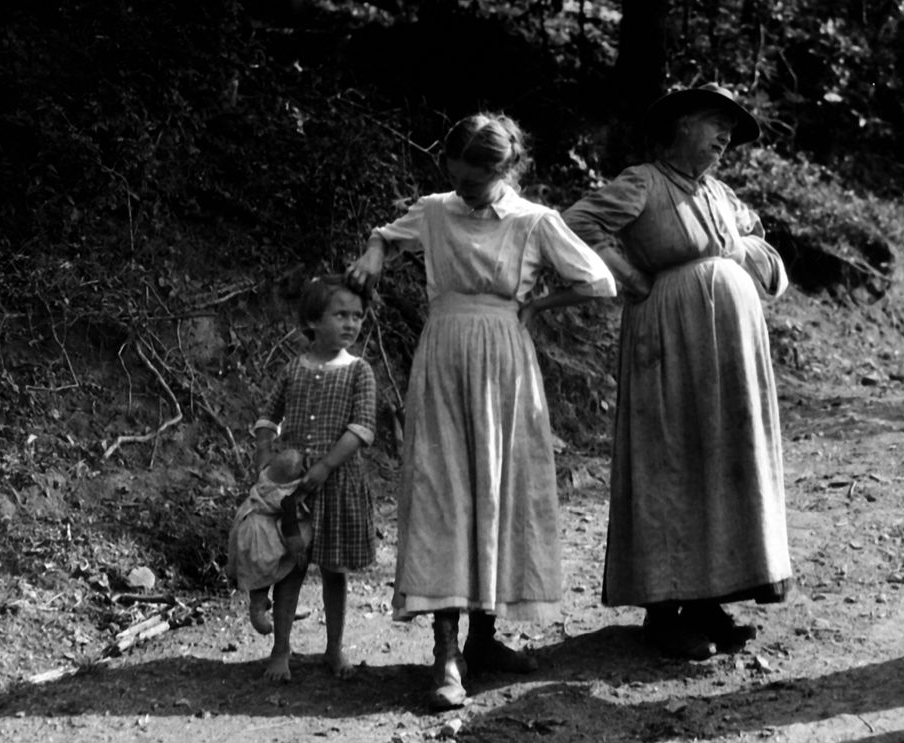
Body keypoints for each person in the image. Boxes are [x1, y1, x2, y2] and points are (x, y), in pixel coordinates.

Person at [346, 113, 616, 710]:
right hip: (443, 356)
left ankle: (484, 639)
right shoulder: (435, 211)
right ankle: (446, 652)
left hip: (505, 362)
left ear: (505, 170)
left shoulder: (532, 221)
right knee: (443, 493)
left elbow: (598, 281)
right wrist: (374, 252)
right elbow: (386, 234)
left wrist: (537, 306)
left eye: (476, 181)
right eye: (456, 176)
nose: (462, 190)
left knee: (497, 489)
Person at [561, 84, 792, 661]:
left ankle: (710, 599)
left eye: (730, 130)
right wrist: (627, 276)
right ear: (681, 125)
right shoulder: (642, 182)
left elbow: (758, 245)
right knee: (672, 457)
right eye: (715, 122)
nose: (725, 137)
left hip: (728, 347)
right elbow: (573, 226)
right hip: (669, 337)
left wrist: (743, 255)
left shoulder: (719, 193)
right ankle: (664, 612)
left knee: (722, 455)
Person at [251, 274, 377, 683]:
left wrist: (324, 467)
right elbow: (268, 416)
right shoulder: (294, 368)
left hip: (338, 484)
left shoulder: (359, 371)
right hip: (295, 489)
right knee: (290, 567)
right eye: (340, 315)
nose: (351, 323)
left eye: (357, 316)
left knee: (334, 571)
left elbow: (361, 428)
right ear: (312, 321)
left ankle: (334, 649)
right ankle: (281, 650)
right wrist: (266, 455)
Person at [226, 447, 312, 635]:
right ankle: (257, 611)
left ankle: (259, 602)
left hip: (247, 523)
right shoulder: (286, 497)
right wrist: (298, 549)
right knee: (263, 572)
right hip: (262, 538)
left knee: (255, 572)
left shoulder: (264, 480)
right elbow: (289, 526)